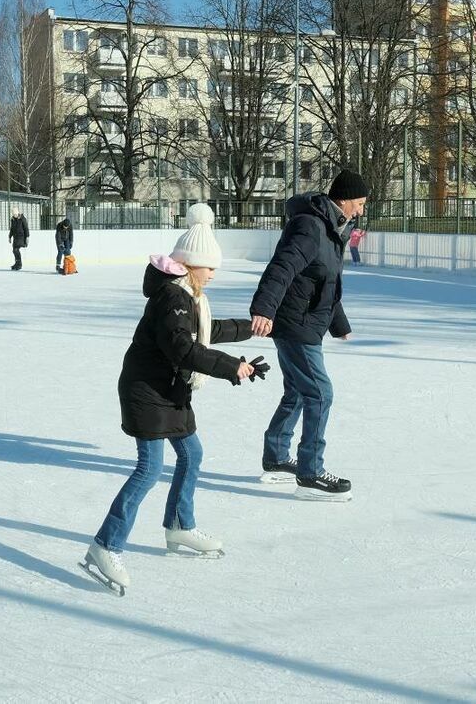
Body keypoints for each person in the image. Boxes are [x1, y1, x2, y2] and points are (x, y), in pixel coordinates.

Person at [81, 203, 269, 596]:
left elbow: (205, 331)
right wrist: (232, 366)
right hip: (147, 393)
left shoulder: (188, 298)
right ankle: (105, 545)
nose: (214, 273)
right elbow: (184, 349)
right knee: (149, 469)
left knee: (192, 454)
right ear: (190, 265)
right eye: (209, 266)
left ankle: (180, 526)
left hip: (169, 391)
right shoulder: (173, 297)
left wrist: (248, 330)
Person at [249, 169, 368, 501]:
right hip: (294, 322)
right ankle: (311, 469)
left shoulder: (332, 227)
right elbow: (281, 267)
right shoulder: (311, 226)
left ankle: (275, 456)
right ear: (342, 199)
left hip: (305, 320)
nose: (359, 210)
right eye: (357, 203)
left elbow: (324, 280)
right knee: (320, 393)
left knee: (299, 392)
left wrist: (339, 324)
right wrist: (264, 309)